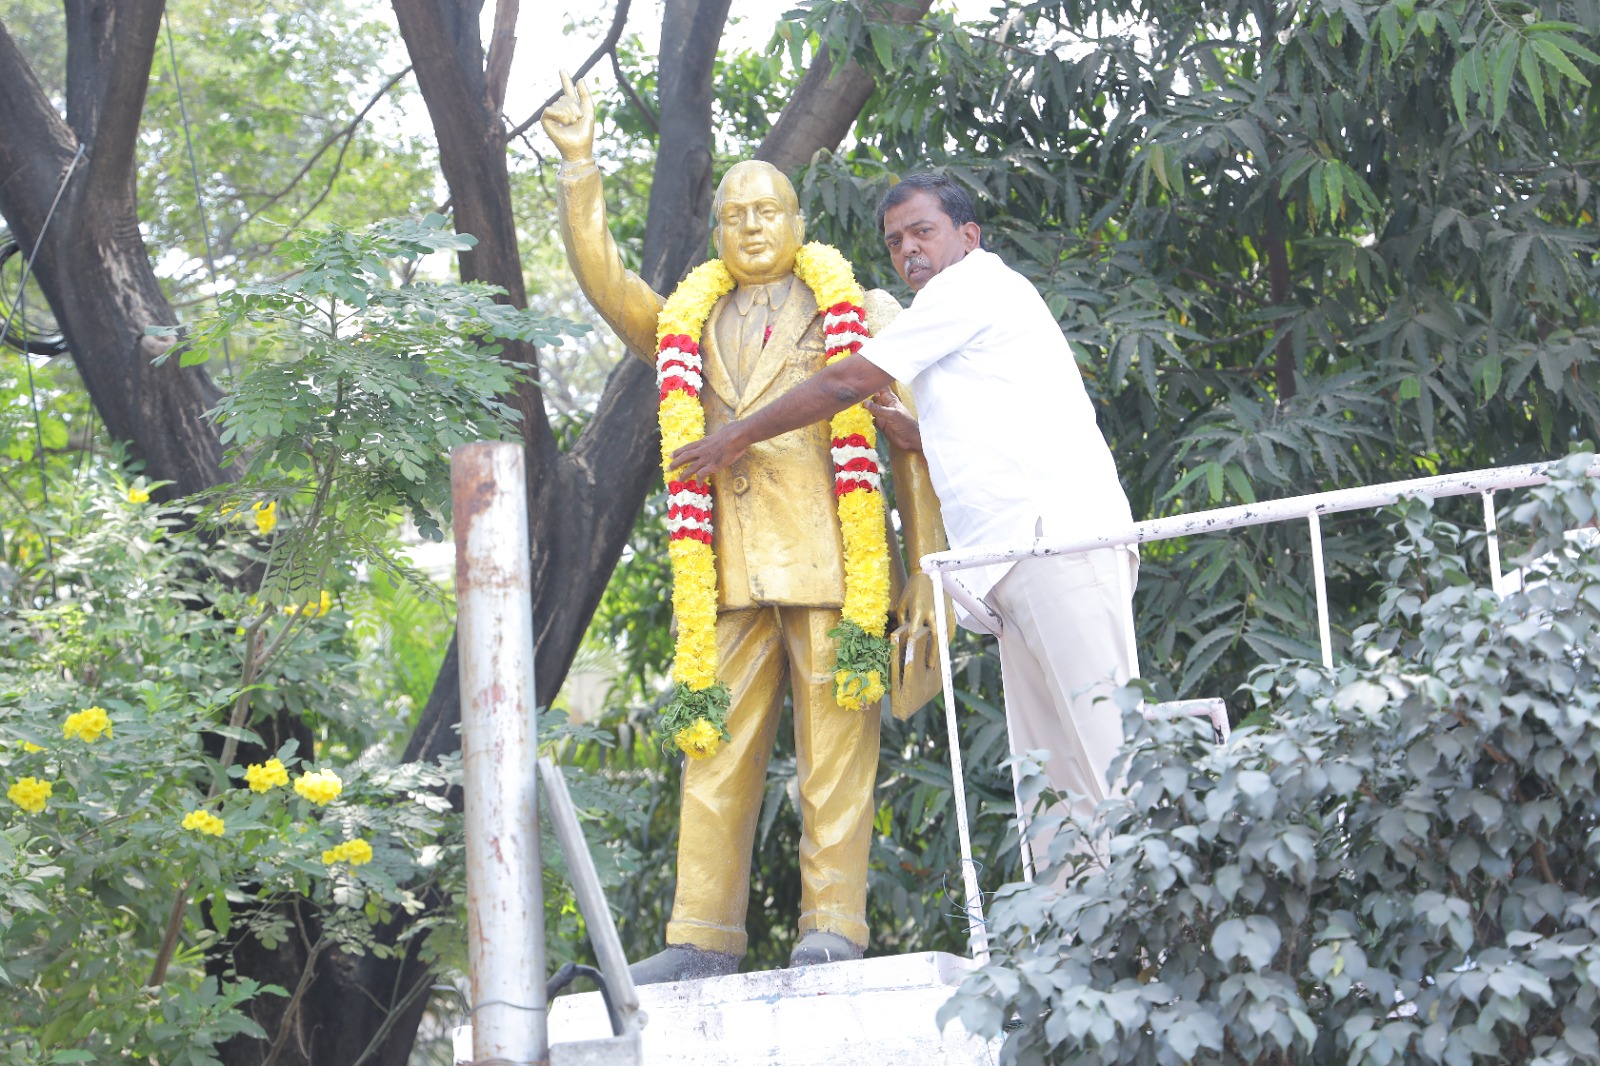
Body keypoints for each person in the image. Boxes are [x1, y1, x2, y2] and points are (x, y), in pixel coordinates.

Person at [542, 76, 952, 984]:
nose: (754, 227)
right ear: (717, 232)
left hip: (836, 569)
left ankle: (833, 924)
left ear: (800, 222)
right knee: (712, 752)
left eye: (769, 212)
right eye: (736, 216)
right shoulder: (686, 322)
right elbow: (609, 286)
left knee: (835, 759)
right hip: (725, 573)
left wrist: (926, 570)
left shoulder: (860, 313)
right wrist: (579, 168)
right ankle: (701, 936)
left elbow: (912, 451)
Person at [672, 172, 1137, 841]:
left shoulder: (970, 285)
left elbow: (847, 380)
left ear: (968, 235)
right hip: (1015, 560)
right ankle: (1071, 907)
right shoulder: (956, 310)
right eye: (894, 242)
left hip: (1060, 544)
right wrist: (914, 435)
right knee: (1051, 773)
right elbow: (988, 422)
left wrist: (735, 436)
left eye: (923, 231)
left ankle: (1147, 899)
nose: (908, 250)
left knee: (1107, 750)